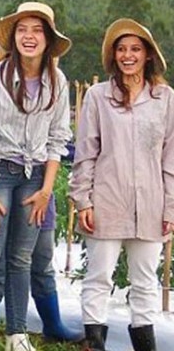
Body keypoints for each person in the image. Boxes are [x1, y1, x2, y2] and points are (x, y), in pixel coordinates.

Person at [0, 2, 72, 351]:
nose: (29, 36)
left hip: (35, 176)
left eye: (37, 30)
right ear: (13, 37)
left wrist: (46, 190)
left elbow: (58, 139)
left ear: (48, 39)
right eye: (22, 30)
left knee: (22, 258)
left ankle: (17, 335)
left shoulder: (58, 82)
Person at [70, 18, 174, 351]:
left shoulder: (165, 98)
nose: (128, 55)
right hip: (107, 199)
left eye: (135, 49)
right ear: (113, 56)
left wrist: (171, 206)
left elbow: (171, 158)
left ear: (148, 55)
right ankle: (94, 345)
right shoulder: (99, 96)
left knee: (145, 281)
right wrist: (83, 200)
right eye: (121, 49)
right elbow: (86, 151)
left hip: (152, 203)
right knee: (99, 278)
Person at [0, 46, 82, 345]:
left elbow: (59, 141)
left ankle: (52, 324)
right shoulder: (0, 75)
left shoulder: (53, 87)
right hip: (5, 183)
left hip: (39, 188)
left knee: (41, 258)